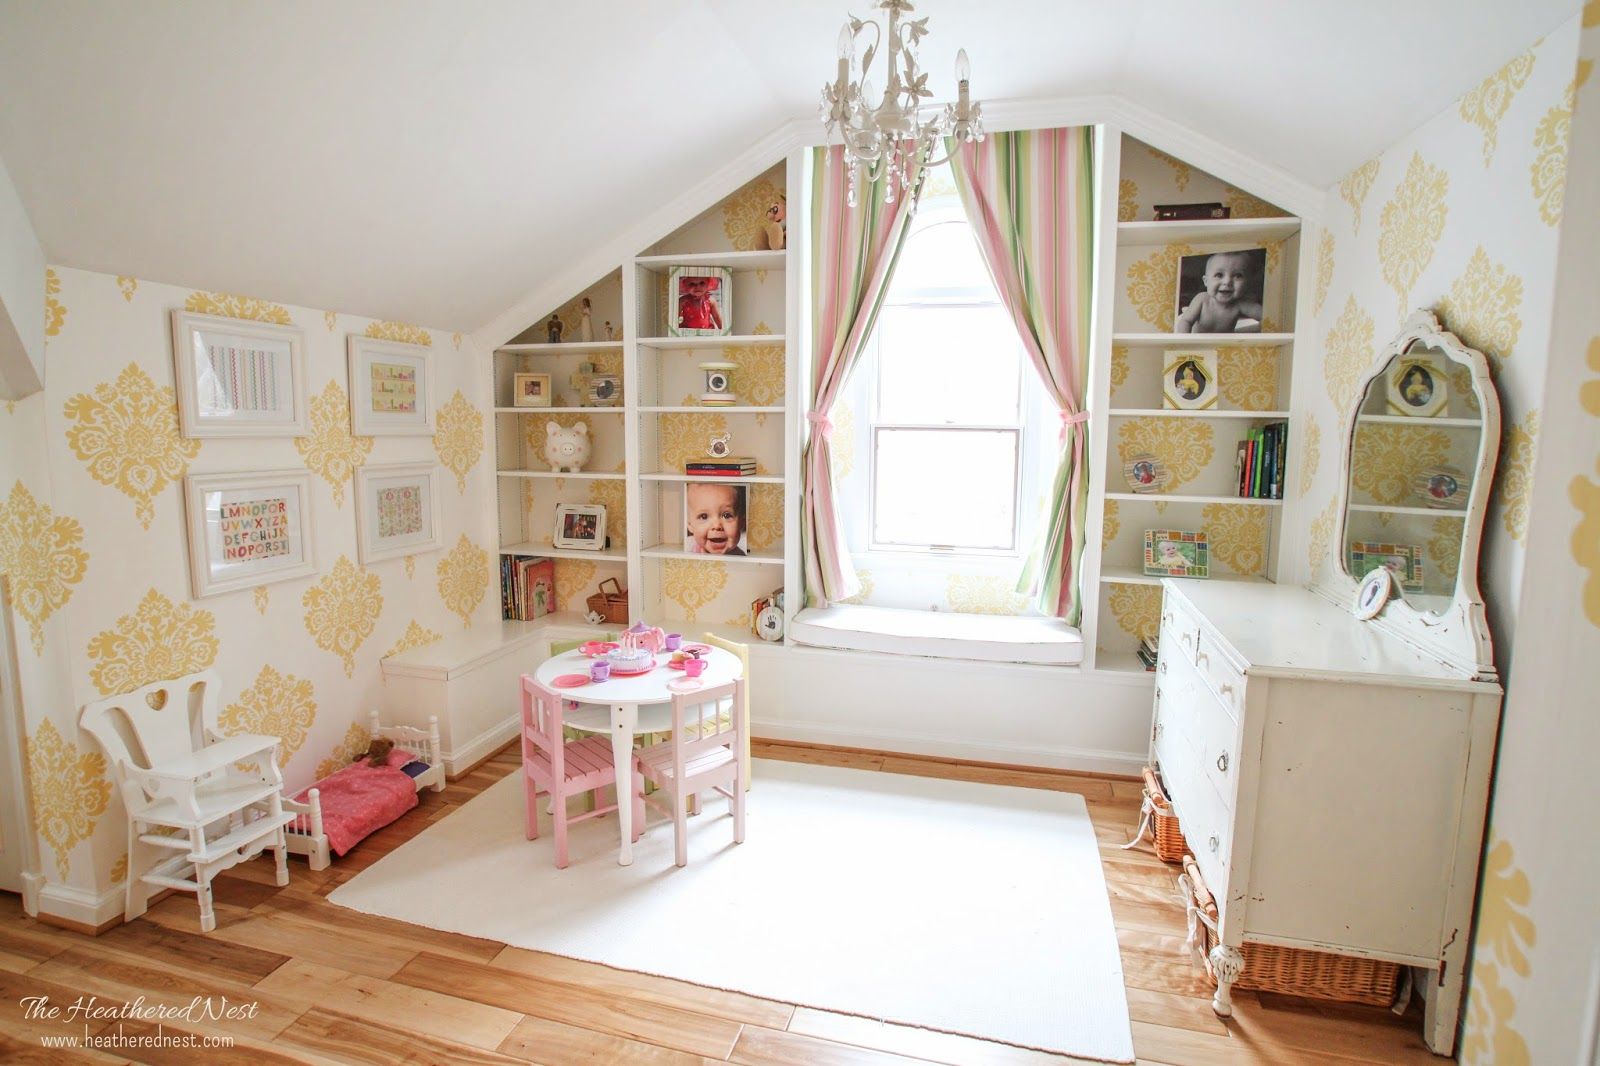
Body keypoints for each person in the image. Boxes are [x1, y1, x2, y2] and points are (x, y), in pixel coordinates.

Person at [1175, 250, 1263, 334]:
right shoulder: (1202, 299)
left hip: (1221, 344)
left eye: (1238, 276)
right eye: (1219, 275)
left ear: (1247, 283)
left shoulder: (1241, 304)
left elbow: (1269, 318)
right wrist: (1185, 343)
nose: (1227, 281)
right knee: (1183, 318)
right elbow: (1185, 322)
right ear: (1206, 281)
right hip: (1198, 339)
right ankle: (1187, 310)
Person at [685, 482, 746, 556]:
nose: (716, 526)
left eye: (726, 515)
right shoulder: (686, 548)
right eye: (704, 516)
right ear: (689, 524)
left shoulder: (741, 559)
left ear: (742, 522)